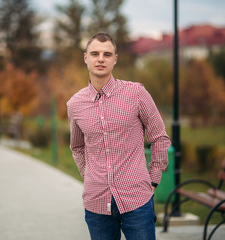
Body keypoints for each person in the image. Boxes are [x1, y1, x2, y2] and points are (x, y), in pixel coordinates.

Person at [66, 32, 171, 240]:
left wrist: (154, 178)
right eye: (95, 53)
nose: (101, 59)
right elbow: (77, 147)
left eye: (107, 54)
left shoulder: (136, 93)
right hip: (96, 204)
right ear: (86, 58)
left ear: (115, 59)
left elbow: (159, 136)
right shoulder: (75, 104)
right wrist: (89, 176)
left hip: (137, 200)